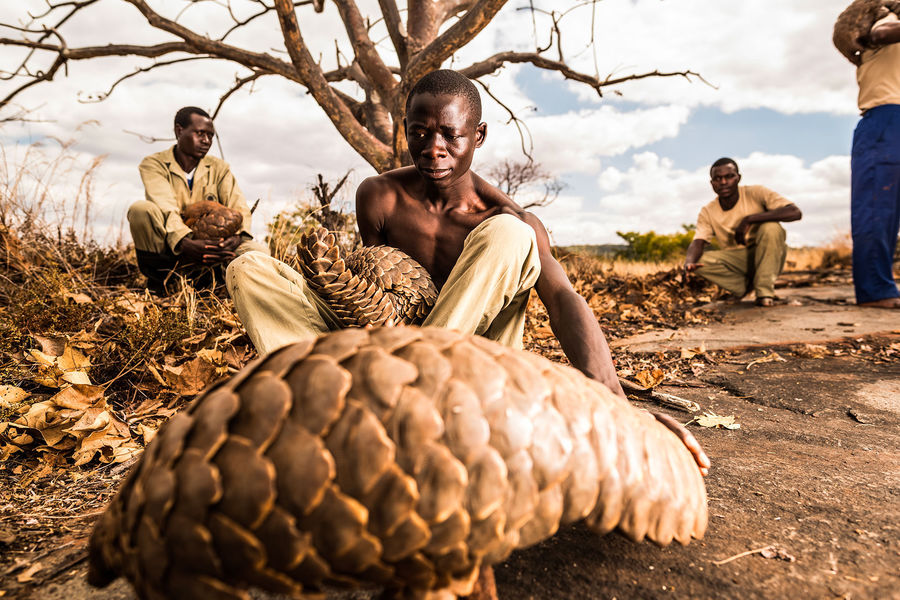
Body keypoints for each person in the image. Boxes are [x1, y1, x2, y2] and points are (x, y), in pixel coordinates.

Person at [227, 69, 709, 474]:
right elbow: (374, 285)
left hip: (471, 371)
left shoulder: (511, 220)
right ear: (406, 128)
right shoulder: (379, 196)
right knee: (249, 267)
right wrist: (336, 285)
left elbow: (563, 300)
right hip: (388, 348)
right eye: (420, 132)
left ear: (477, 136)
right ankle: (320, 397)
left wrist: (615, 405)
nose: (433, 148)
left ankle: (415, 404)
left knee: (509, 235)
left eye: (450, 135)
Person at [127, 106, 267, 294]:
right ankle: (161, 283)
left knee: (258, 253)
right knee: (140, 210)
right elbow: (165, 207)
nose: (206, 141)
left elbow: (239, 207)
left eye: (210, 135)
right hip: (174, 248)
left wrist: (236, 238)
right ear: (179, 131)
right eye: (200, 133)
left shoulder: (219, 168)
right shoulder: (154, 164)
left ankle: (219, 284)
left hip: (216, 249)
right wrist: (185, 242)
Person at [684, 158, 802, 306]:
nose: (723, 182)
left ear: (738, 178)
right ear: (711, 183)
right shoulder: (707, 211)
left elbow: (794, 212)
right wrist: (689, 263)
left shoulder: (756, 192)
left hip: (768, 255)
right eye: (717, 178)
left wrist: (749, 219)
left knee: (771, 227)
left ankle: (764, 293)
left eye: (729, 176)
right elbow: (698, 241)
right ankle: (744, 288)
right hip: (738, 261)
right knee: (698, 261)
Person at [847, 9, 900, 308]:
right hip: (885, 118)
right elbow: (882, 32)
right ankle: (875, 290)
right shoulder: (885, 18)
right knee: (876, 210)